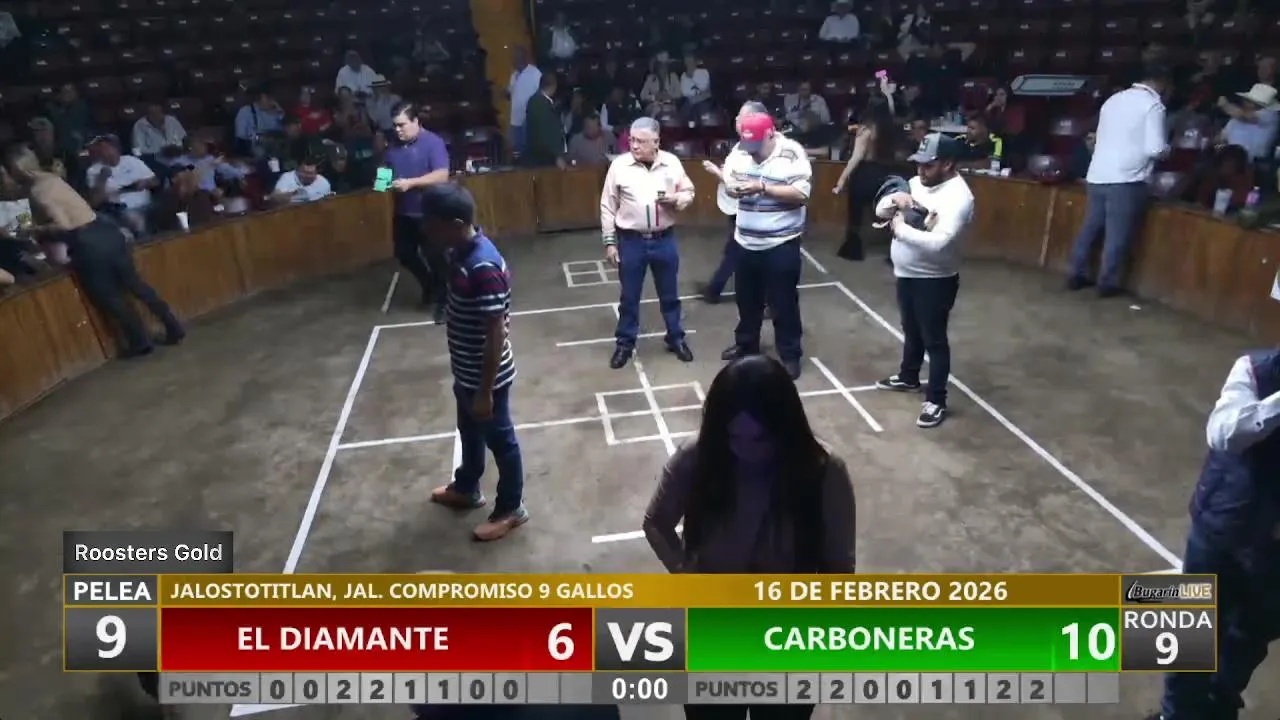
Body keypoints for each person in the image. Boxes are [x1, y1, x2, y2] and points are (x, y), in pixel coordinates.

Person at [643, 355, 855, 720]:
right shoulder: (697, 457)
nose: (744, 452)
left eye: (758, 439)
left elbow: (839, 569)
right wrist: (684, 571)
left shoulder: (824, 472)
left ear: (784, 429)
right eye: (733, 438)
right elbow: (655, 522)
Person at [1146, 350, 1280, 720]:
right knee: (1193, 629)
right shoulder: (1254, 370)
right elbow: (1225, 433)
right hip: (1223, 528)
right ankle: (1177, 714)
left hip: (1274, 554)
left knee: (1251, 635)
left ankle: (1219, 704)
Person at [4, 144, 184, 357]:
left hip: (87, 243)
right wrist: (25, 223)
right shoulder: (50, 178)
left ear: (16, 169)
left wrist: (35, 230)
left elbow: (63, 224)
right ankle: (173, 326)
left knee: (110, 296)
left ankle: (140, 341)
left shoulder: (37, 191)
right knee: (136, 285)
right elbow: (24, 203)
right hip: (106, 231)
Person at [423, 183, 528, 542]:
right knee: (468, 431)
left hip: (488, 379)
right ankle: (467, 487)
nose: (427, 230)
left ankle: (511, 508)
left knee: (502, 441)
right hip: (467, 372)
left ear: (456, 224)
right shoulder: (459, 251)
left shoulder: (482, 265)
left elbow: (495, 334)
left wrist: (484, 392)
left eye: (432, 224)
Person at [872, 133, 974, 429]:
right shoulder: (917, 183)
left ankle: (936, 400)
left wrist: (899, 228)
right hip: (906, 272)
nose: (920, 170)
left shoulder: (959, 197)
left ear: (948, 164)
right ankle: (909, 376)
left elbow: (939, 243)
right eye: (918, 163)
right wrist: (894, 200)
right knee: (911, 328)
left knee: (934, 340)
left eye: (928, 165)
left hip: (935, 280)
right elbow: (880, 210)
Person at [719, 113, 812, 380]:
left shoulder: (792, 154)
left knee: (783, 303)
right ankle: (746, 345)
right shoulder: (741, 151)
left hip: (780, 243)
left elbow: (801, 195)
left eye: (756, 145)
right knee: (747, 300)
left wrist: (762, 187)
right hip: (745, 241)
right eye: (747, 144)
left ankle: (790, 354)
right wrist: (734, 189)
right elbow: (731, 183)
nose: (751, 151)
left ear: (771, 134)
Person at [1066, 61, 1170, 297]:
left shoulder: (1113, 100)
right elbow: (1155, 148)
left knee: (1090, 227)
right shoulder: (1153, 105)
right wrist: (1168, 150)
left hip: (1098, 174)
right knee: (1117, 234)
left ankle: (1076, 273)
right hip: (1127, 179)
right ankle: (1107, 283)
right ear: (1161, 82)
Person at [599, 117, 695, 370]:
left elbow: (689, 191)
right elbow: (607, 206)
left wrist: (678, 200)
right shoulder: (619, 166)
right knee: (629, 297)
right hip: (631, 241)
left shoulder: (671, 163)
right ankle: (625, 343)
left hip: (665, 239)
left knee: (670, 294)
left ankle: (676, 337)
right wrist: (610, 242)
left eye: (641, 141)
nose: (634, 145)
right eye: (632, 140)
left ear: (656, 142)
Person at [384, 100, 451, 317]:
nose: (397, 130)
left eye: (401, 125)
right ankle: (429, 285)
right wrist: (382, 183)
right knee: (404, 253)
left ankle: (446, 302)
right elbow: (385, 170)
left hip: (431, 211)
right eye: (395, 125)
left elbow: (442, 175)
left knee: (436, 257)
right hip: (404, 212)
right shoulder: (392, 146)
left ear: (415, 121)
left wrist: (411, 183)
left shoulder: (433, 142)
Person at [697, 101, 765, 303]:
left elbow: (743, 184)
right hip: (739, 208)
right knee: (735, 251)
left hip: (750, 209)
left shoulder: (756, 147)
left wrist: (717, 172)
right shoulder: (742, 143)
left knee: (750, 254)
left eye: (741, 116)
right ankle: (715, 289)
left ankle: (716, 290)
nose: (736, 120)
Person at [833, 102, 895, 261]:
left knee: (856, 213)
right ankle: (894, 252)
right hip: (885, 173)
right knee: (888, 212)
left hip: (865, 173)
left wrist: (841, 180)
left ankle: (853, 250)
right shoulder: (889, 130)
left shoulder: (865, 131)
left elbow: (856, 157)